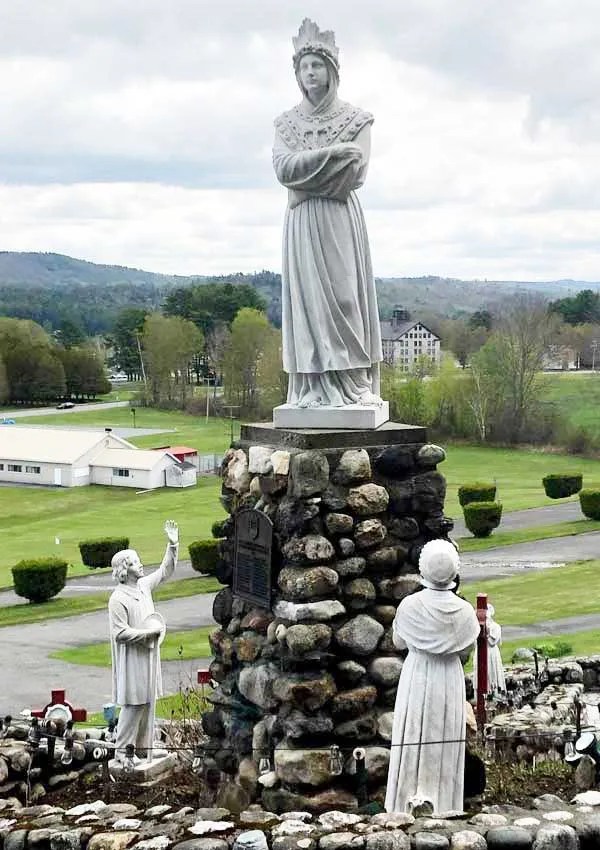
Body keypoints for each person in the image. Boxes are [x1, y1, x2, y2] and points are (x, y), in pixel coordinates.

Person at [273, 19, 383, 409]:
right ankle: (314, 387)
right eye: (303, 68)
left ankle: (353, 383)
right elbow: (283, 170)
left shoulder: (357, 120)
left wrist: (303, 184)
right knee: (309, 307)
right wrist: (333, 156)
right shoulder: (286, 124)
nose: (310, 74)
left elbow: (356, 175)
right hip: (302, 229)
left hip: (338, 222)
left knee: (345, 298)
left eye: (316, 65)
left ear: (331, 70)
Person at [385, 539, 480, 815]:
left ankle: (403, 803)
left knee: (414, 731)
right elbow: (466, 649)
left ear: (422, 569)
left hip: (417, 674)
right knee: (442, 737)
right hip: (448, 677)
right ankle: (445, 805)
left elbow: (399, 641)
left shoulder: (409, 606)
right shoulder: (463, 611)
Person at [108, 520, 179, 762]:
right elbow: (120, 633)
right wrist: (147, 634)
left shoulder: (143, 587)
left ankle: (143, 749)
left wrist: (172, 544)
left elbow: (164, 571)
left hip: (149, 654)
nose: (141, 566)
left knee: (148, 702)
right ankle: (122, 752)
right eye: (136, 563)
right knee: (134, 704)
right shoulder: (118, 598)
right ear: (125, 569)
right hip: (133, 659)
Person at [473, 603, 506, 699]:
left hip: (491, 653)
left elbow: (492, 641)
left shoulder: (496, 627)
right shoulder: (475, 627)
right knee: (481, 675)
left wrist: (486, 631)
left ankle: (495, 695)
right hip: (479, 652)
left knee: (493, 674)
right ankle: (481, 697)